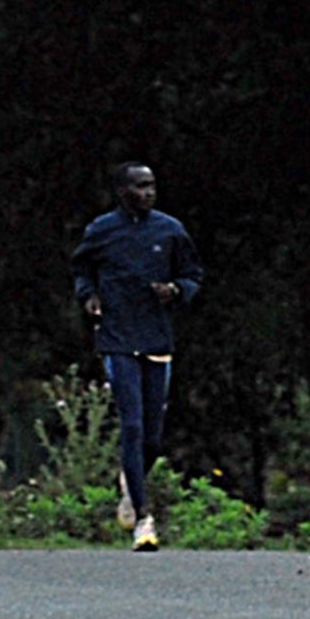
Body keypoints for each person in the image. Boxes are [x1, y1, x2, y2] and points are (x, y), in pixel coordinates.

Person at [71, 160, 201, 549]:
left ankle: (132, 483)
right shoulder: (102, 230)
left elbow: (193, 275)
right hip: (117, 335)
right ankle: (144, 517)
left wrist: (176, 290)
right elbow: (82, 269)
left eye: (152, 187)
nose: (147, 194)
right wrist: (89, 297)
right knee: (131, 423)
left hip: (158, 337)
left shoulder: (170, 230)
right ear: (122, 191)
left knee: (153, 436)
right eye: (140, 187)